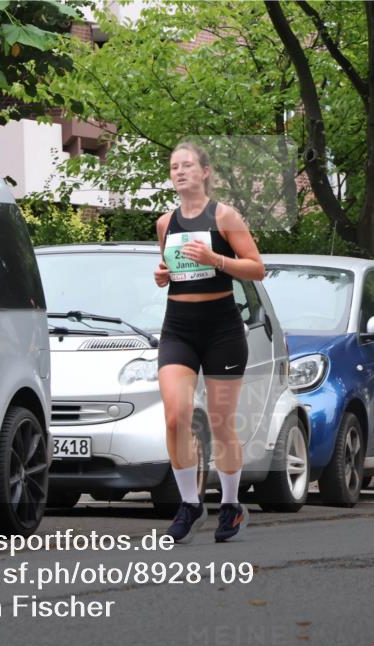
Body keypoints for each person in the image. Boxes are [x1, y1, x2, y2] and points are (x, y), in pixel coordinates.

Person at [153, 142, 265, 543]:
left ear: (204, 172)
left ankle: (231, 504)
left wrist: (216, 260)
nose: (179, 172)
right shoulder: (165, 222)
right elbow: (171, 267)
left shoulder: (224, 215)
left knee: (220, 422)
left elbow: (257, 269)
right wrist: (164, 275)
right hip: (178, 327)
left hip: (221, 329)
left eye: (187, 165)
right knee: (175, 415)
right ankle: (189, 503)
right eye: (173, 167)